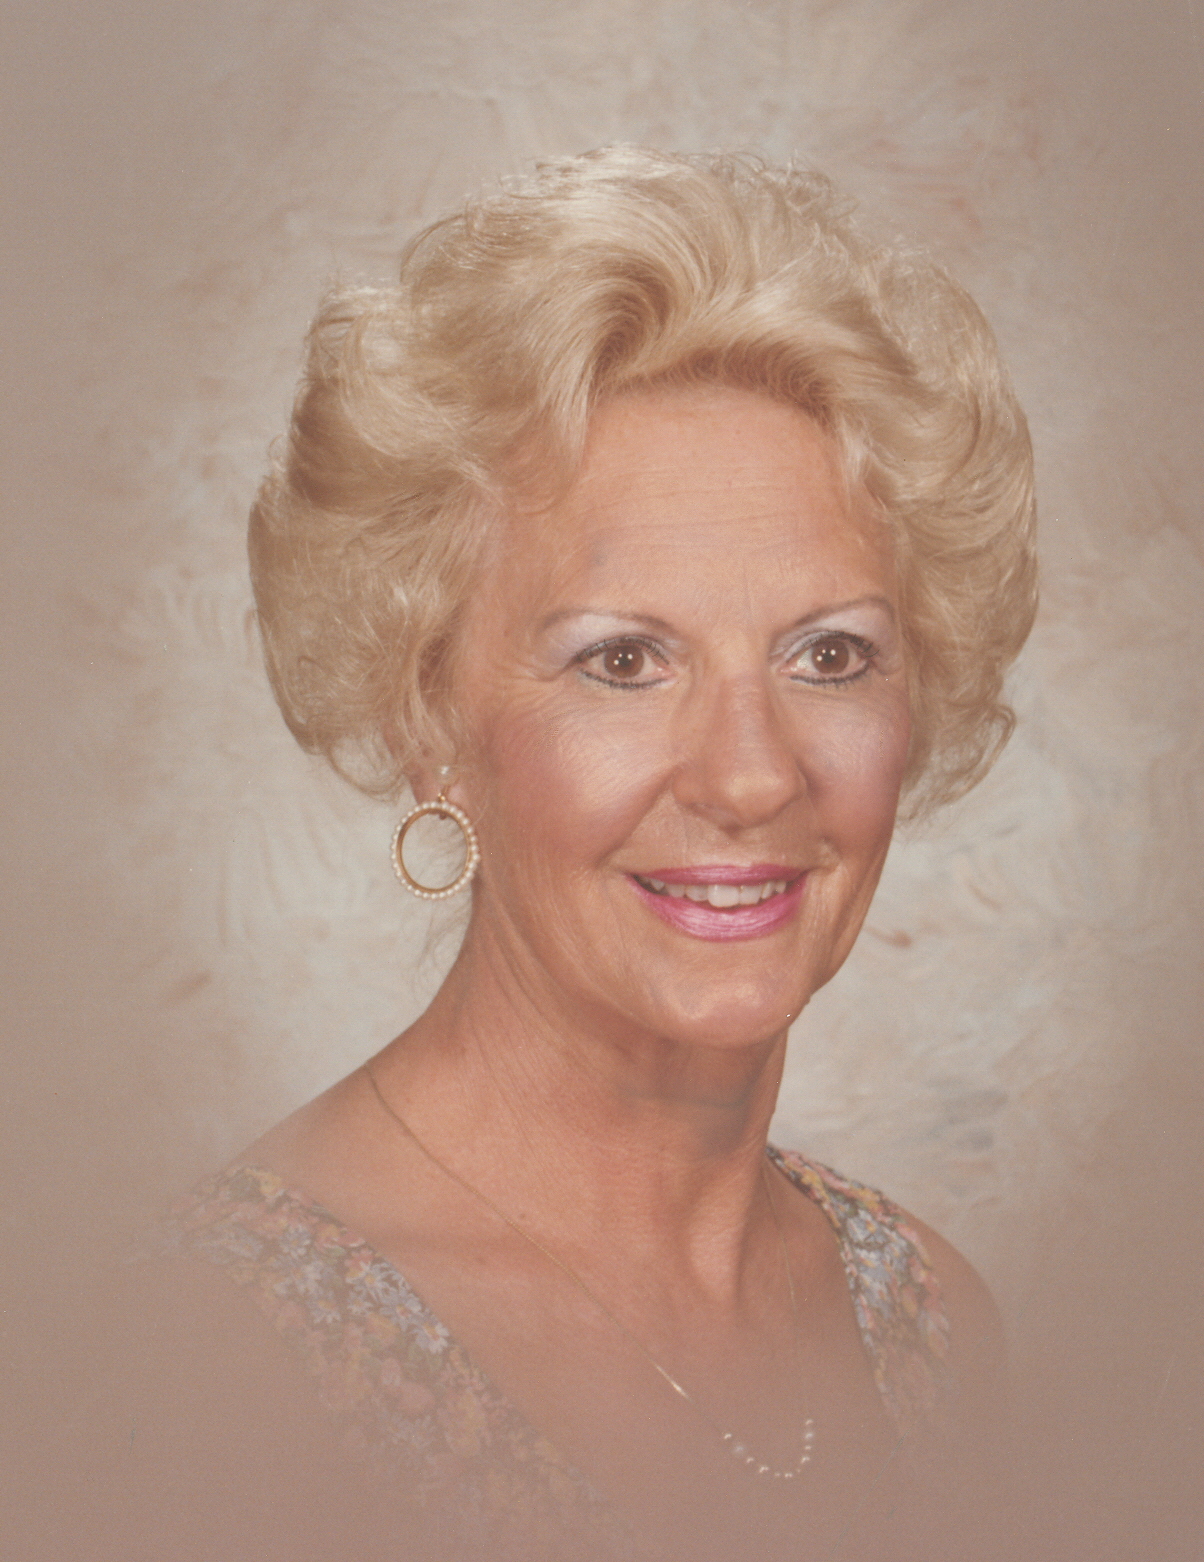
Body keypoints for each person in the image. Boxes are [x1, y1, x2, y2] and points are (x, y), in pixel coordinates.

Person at [109, 147, 1037, 1561]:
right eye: (622, 660)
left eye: (830, 654)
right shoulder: (219, 1361)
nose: (750, 772)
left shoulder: (930, 1321)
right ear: (428, 716)